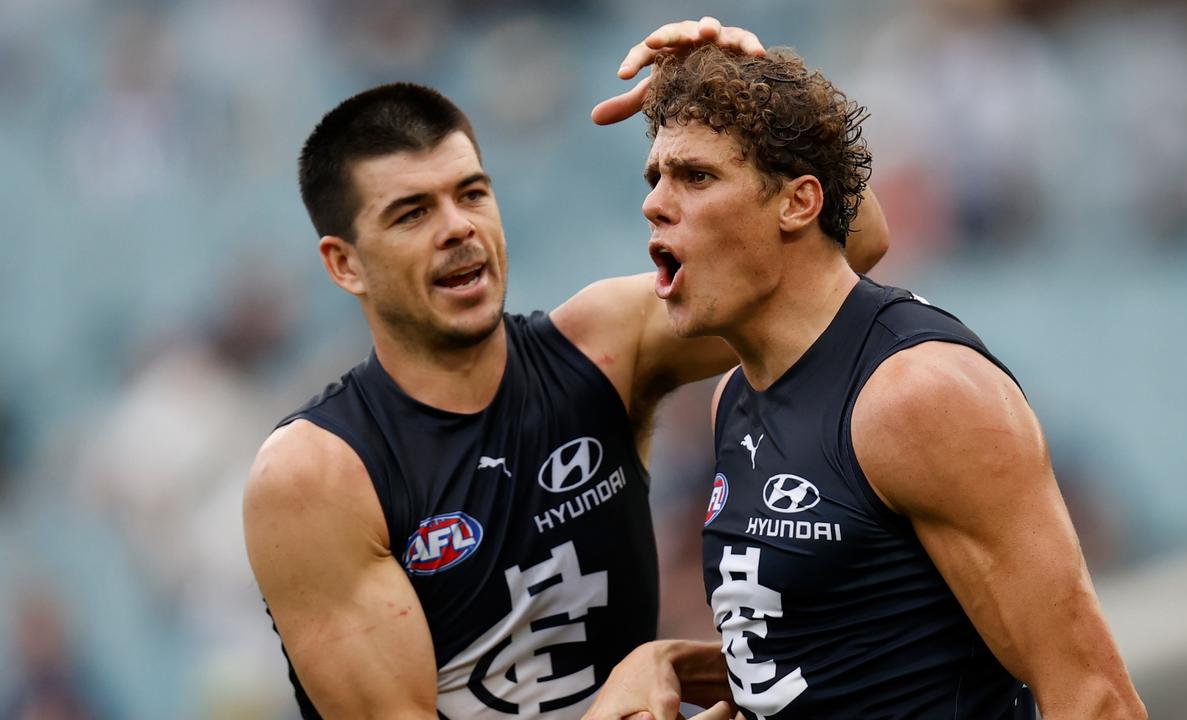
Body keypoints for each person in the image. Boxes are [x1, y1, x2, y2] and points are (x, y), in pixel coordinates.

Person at [242, 19, 889, 720]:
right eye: (411, 213)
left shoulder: (600, 347)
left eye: (472, 193)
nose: (458, 227)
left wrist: (759, 99)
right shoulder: (318, 474)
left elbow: (850, 247)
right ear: (344, 264)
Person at [585, 45, 1146, 720]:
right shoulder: (734, 400)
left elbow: (1095, 699)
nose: (654, 204)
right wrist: (667, 663)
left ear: (798, 203)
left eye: (695, 176)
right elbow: (830, 664)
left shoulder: (916, 395)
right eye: (655, 178)